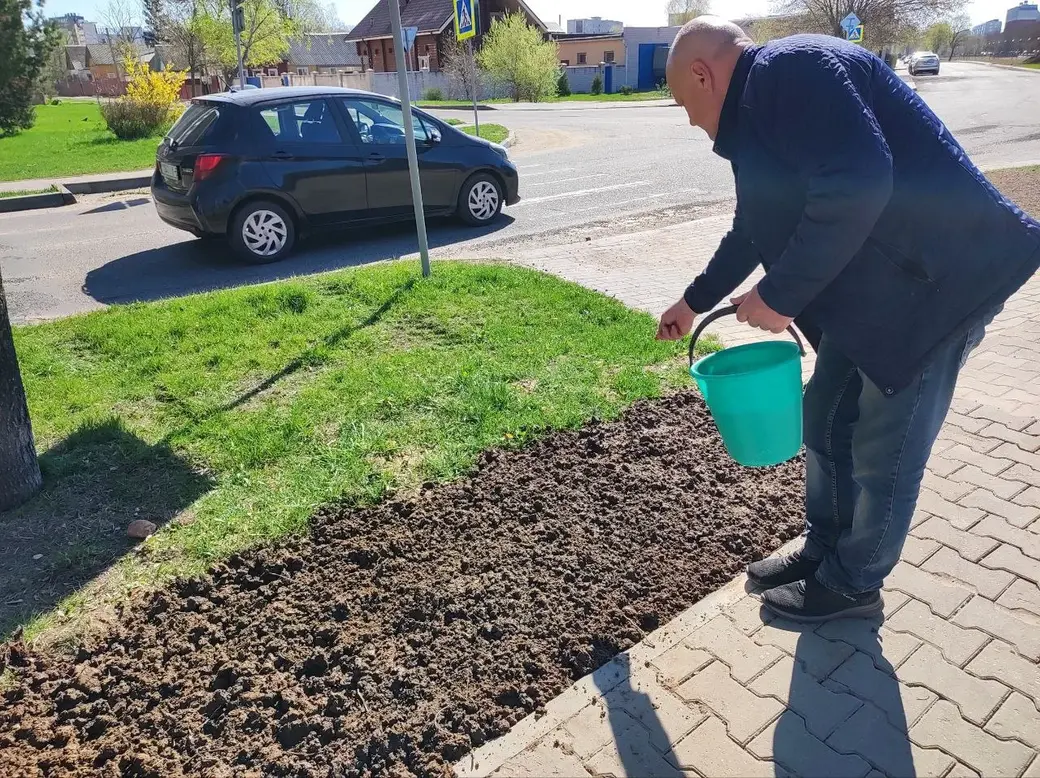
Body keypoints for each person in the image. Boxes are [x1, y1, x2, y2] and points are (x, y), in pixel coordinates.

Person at [657, 18, 1040, 622]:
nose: (689, 120)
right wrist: (694, 301)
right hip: (882, 294)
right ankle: (825, 549)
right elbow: (754, 224)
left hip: (939, 289)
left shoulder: (793, 72)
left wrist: (780, 295)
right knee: (826, 415)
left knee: (885, 450)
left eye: (683, 104)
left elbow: (859, 181)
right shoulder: (759, 110)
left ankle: (854, 584)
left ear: (702, 75)